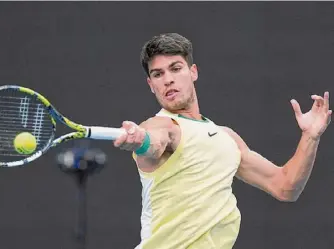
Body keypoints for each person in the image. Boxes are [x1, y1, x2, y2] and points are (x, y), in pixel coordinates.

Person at [113, 33, 332, 249]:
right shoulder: (161, 125)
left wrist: (310, 136)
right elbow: (156, 141)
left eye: (176, 68)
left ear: (193, 72)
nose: (168, 79)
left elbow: (285, 187)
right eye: (158, 74)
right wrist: (140, 140)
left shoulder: (227, 138)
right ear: (151, 84)